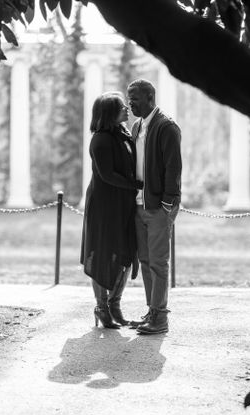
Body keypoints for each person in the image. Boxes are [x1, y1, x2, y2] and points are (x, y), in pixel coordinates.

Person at [80, 92, 142, 329]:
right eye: (121, 107)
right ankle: (101, 307)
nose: (126, 108)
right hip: (104, 205)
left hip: (123, 203)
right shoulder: (101, 139)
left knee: (125, 253)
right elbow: (107, 175)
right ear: (108, 113)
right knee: (102, 254)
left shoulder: (123, 134)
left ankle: (115, 304)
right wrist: (137, 185)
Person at [127, 79, 182, 335]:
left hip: (158, 207)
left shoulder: (166, 127)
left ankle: (160, 318)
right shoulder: (137, 126)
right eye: (129, 97)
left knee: (159, 263)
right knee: (146, 260)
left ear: (150, 98)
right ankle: (152, 311)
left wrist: (167, 203)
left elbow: (173, 168)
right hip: (139, 205)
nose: (130, 103)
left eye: (135, 98)